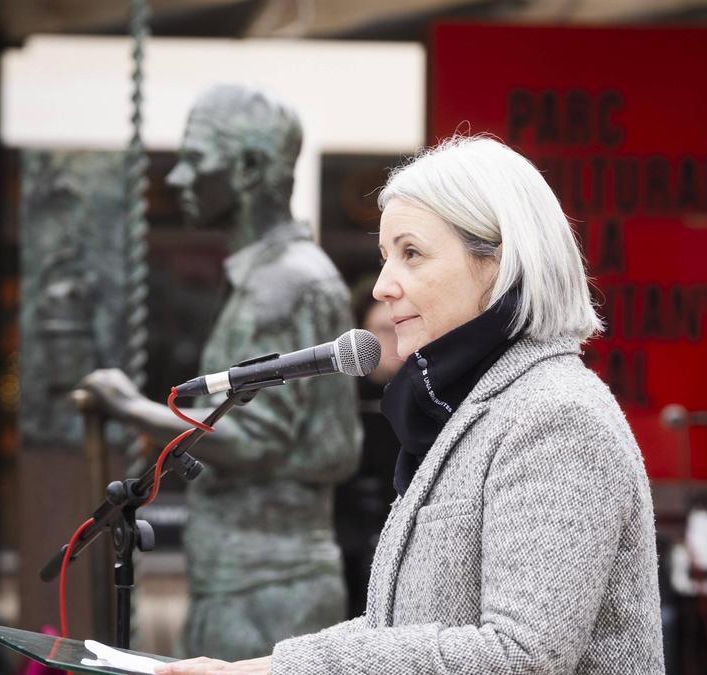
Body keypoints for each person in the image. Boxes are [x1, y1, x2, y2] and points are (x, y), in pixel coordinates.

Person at [159, 136, 666, 673]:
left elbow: (519, 657)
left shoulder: (556, 416)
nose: (381, 287)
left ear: (498, 262)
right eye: (385, 258)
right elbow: (400, 628)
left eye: (412, 254)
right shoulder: (474, 409)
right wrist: (252, 670)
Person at [80, 84, 361, 660]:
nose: (178, 179)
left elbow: (257, 443)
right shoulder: (271, 278)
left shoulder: (285, 283)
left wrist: (129, 406)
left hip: (265, 585)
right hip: (248, 579)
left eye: (196, 160)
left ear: (253, 168)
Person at [334, 277, 404, 617]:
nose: (390, 342)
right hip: (349, 540)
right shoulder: (343, 400)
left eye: (395, 330)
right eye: (380, 331)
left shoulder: (427, 396)